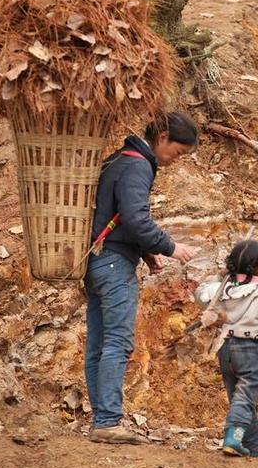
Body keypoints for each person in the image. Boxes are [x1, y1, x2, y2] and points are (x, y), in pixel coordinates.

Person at [85, 111, 199, 444]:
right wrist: (170, 246)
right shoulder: (138, 165)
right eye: (177, 152)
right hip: (113, 266)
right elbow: (135, 218)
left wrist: (148, 254)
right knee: (117, 342)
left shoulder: (121, 158)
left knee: (98, 344)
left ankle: (101, 420)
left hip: (96, 262)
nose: (175, 160)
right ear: (162, 137)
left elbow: (116, 217)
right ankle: (107, 421)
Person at [195, 239, 258, 457]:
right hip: (252, 351)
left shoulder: (222, 290)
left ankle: (255, 444)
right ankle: (232, 438)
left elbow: (201, 294)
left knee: (238, 396)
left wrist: (219, 278)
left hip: (226, 350)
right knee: (246, 397)